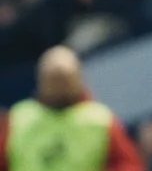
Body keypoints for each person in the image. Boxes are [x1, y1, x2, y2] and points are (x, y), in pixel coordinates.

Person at [0, 46, 144, 171]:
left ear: (78, 79)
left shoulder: (100, 119)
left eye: (64, 79)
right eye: (53, 79)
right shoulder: (17, 117)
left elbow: (129, 165)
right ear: (40, 80)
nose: (58, 86)